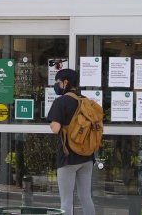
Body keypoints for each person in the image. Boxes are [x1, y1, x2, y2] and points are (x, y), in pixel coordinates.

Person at [46, 68, 96, 215]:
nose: (56, 85)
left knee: (66, 200)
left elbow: (55, 128)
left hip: (68, 157)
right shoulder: (86, 101)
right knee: (86, 197)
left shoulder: (60, 102)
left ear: (65, 82)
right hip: (87, 156)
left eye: (58, 82)